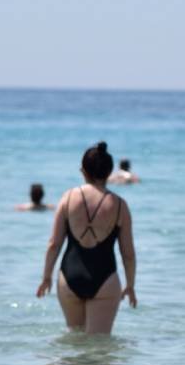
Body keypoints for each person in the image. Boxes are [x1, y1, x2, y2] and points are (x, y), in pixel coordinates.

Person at [36, 142, 137, 334]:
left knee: (75, 340)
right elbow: (128, 253)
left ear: (83, 171)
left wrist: (46, 277)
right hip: (105, 279)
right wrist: (130, 285)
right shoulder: (120, 206)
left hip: (69, 278)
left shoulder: (68, 198)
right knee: (99, 344)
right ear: (109, 172)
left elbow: (54, 244)